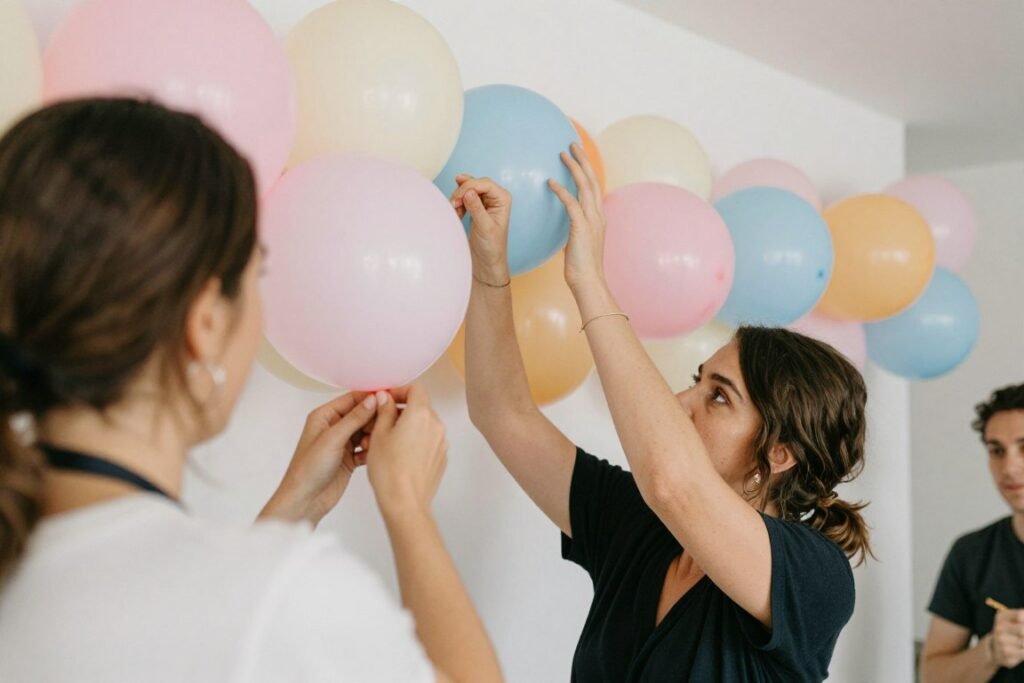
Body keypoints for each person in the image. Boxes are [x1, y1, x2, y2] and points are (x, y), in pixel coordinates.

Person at [0, 97, 502, 683]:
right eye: (255, 275)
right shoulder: (288, 595)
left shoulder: (26, 568)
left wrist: (295, 508)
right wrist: (407, 504)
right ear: (205, 323)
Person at [452, 143, 871, 681]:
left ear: (779, 452)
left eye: (719, 397)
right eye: (698, 382)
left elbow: (673, 483)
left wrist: (589, 281)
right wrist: (489, 267)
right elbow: (501, 412)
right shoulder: (636, 522)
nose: (680, 401)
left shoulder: (815, 578)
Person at [920, 383, 1024, 682]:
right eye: (997, 451)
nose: (1009, 468)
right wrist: (991, 651)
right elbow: (931, 675)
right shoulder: (971, 553)